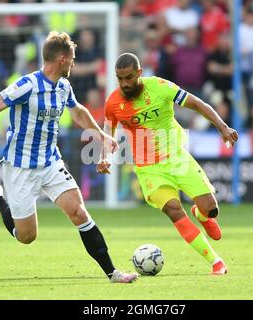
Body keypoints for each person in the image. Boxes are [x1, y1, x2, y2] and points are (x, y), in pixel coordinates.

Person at [0, 31, 138, 284]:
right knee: (26, 236)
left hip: (51, 162)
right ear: (61, 58)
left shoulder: (63, 86)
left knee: (79, 212)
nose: (74, 63)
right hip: (20, 167)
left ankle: (113, 273)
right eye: (72, 59)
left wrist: (102, 136)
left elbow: (78, 111)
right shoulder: (27, 85)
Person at [97, 53, 238, 275]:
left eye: (129, 77)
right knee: (173, 210)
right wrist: (104, 156)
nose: (124, 83)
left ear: (140, 73)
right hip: (149, 168)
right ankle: (216, 262)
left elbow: (196, 103)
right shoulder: (113, 102)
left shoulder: (160, 86)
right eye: (120, 78)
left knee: (210, 209)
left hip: (176, 157)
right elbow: (108, 132)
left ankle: (201, 215)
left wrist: (222, 126)